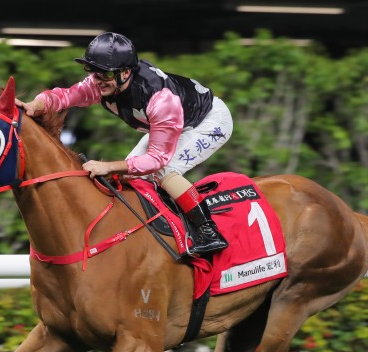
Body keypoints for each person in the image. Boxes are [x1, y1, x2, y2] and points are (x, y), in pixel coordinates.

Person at [15, 32, 233, 255]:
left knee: (164, 170)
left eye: (106, 73)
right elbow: (64, 96)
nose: (97, 80)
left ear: (126, 72)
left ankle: (209, 231)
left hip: (209, 121)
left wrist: (109, 166)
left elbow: (157, 160)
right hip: (175, 122)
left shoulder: (160, 99)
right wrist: (33, 105)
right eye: (93, 71)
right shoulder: (102, 83)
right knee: (131, 175)